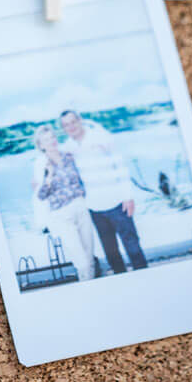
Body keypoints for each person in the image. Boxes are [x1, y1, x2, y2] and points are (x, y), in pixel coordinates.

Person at [60, 110, 147, 275]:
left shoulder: (101, 138)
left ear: (80, 120)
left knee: (132, 245)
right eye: (66, 125)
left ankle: (144, 276)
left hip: (118, 202)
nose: (71, 127)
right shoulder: (68, 148)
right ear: (63, 128)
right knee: (111, 252)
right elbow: (52, 157)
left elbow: (120, 166)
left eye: (73, 122)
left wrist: (128, 197)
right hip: (94, 207)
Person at [30, 124, 95, 281]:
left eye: (52, 137)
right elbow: (40, 195)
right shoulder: (41, 164)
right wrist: (49, 178)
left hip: (80, 208)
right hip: (62, 215)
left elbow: (83, 178)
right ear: (41, 145)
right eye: (46, 140)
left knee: (90, 258)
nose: (51, 141)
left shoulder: (68, 156)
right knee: (82, 262)